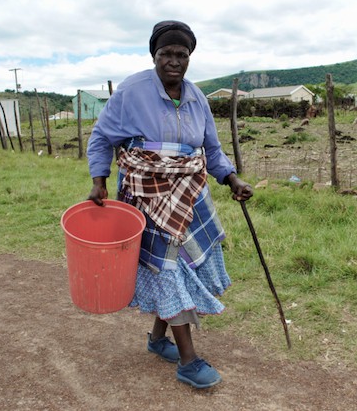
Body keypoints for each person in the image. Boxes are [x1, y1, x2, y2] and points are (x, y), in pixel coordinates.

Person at [86, 20, 253, 389]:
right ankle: (188, 361)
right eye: (166, 54)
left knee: (184, 264)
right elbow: (101, 137)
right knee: (168, 268)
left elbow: (211, 149)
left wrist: (231, 179)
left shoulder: (197, 98)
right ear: (154, 56)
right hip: (146, 191)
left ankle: (158, 339)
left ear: (189, 58)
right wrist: (99, 180)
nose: (174, 61)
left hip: (189, 192)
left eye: (182, 54)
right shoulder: (131, 91)